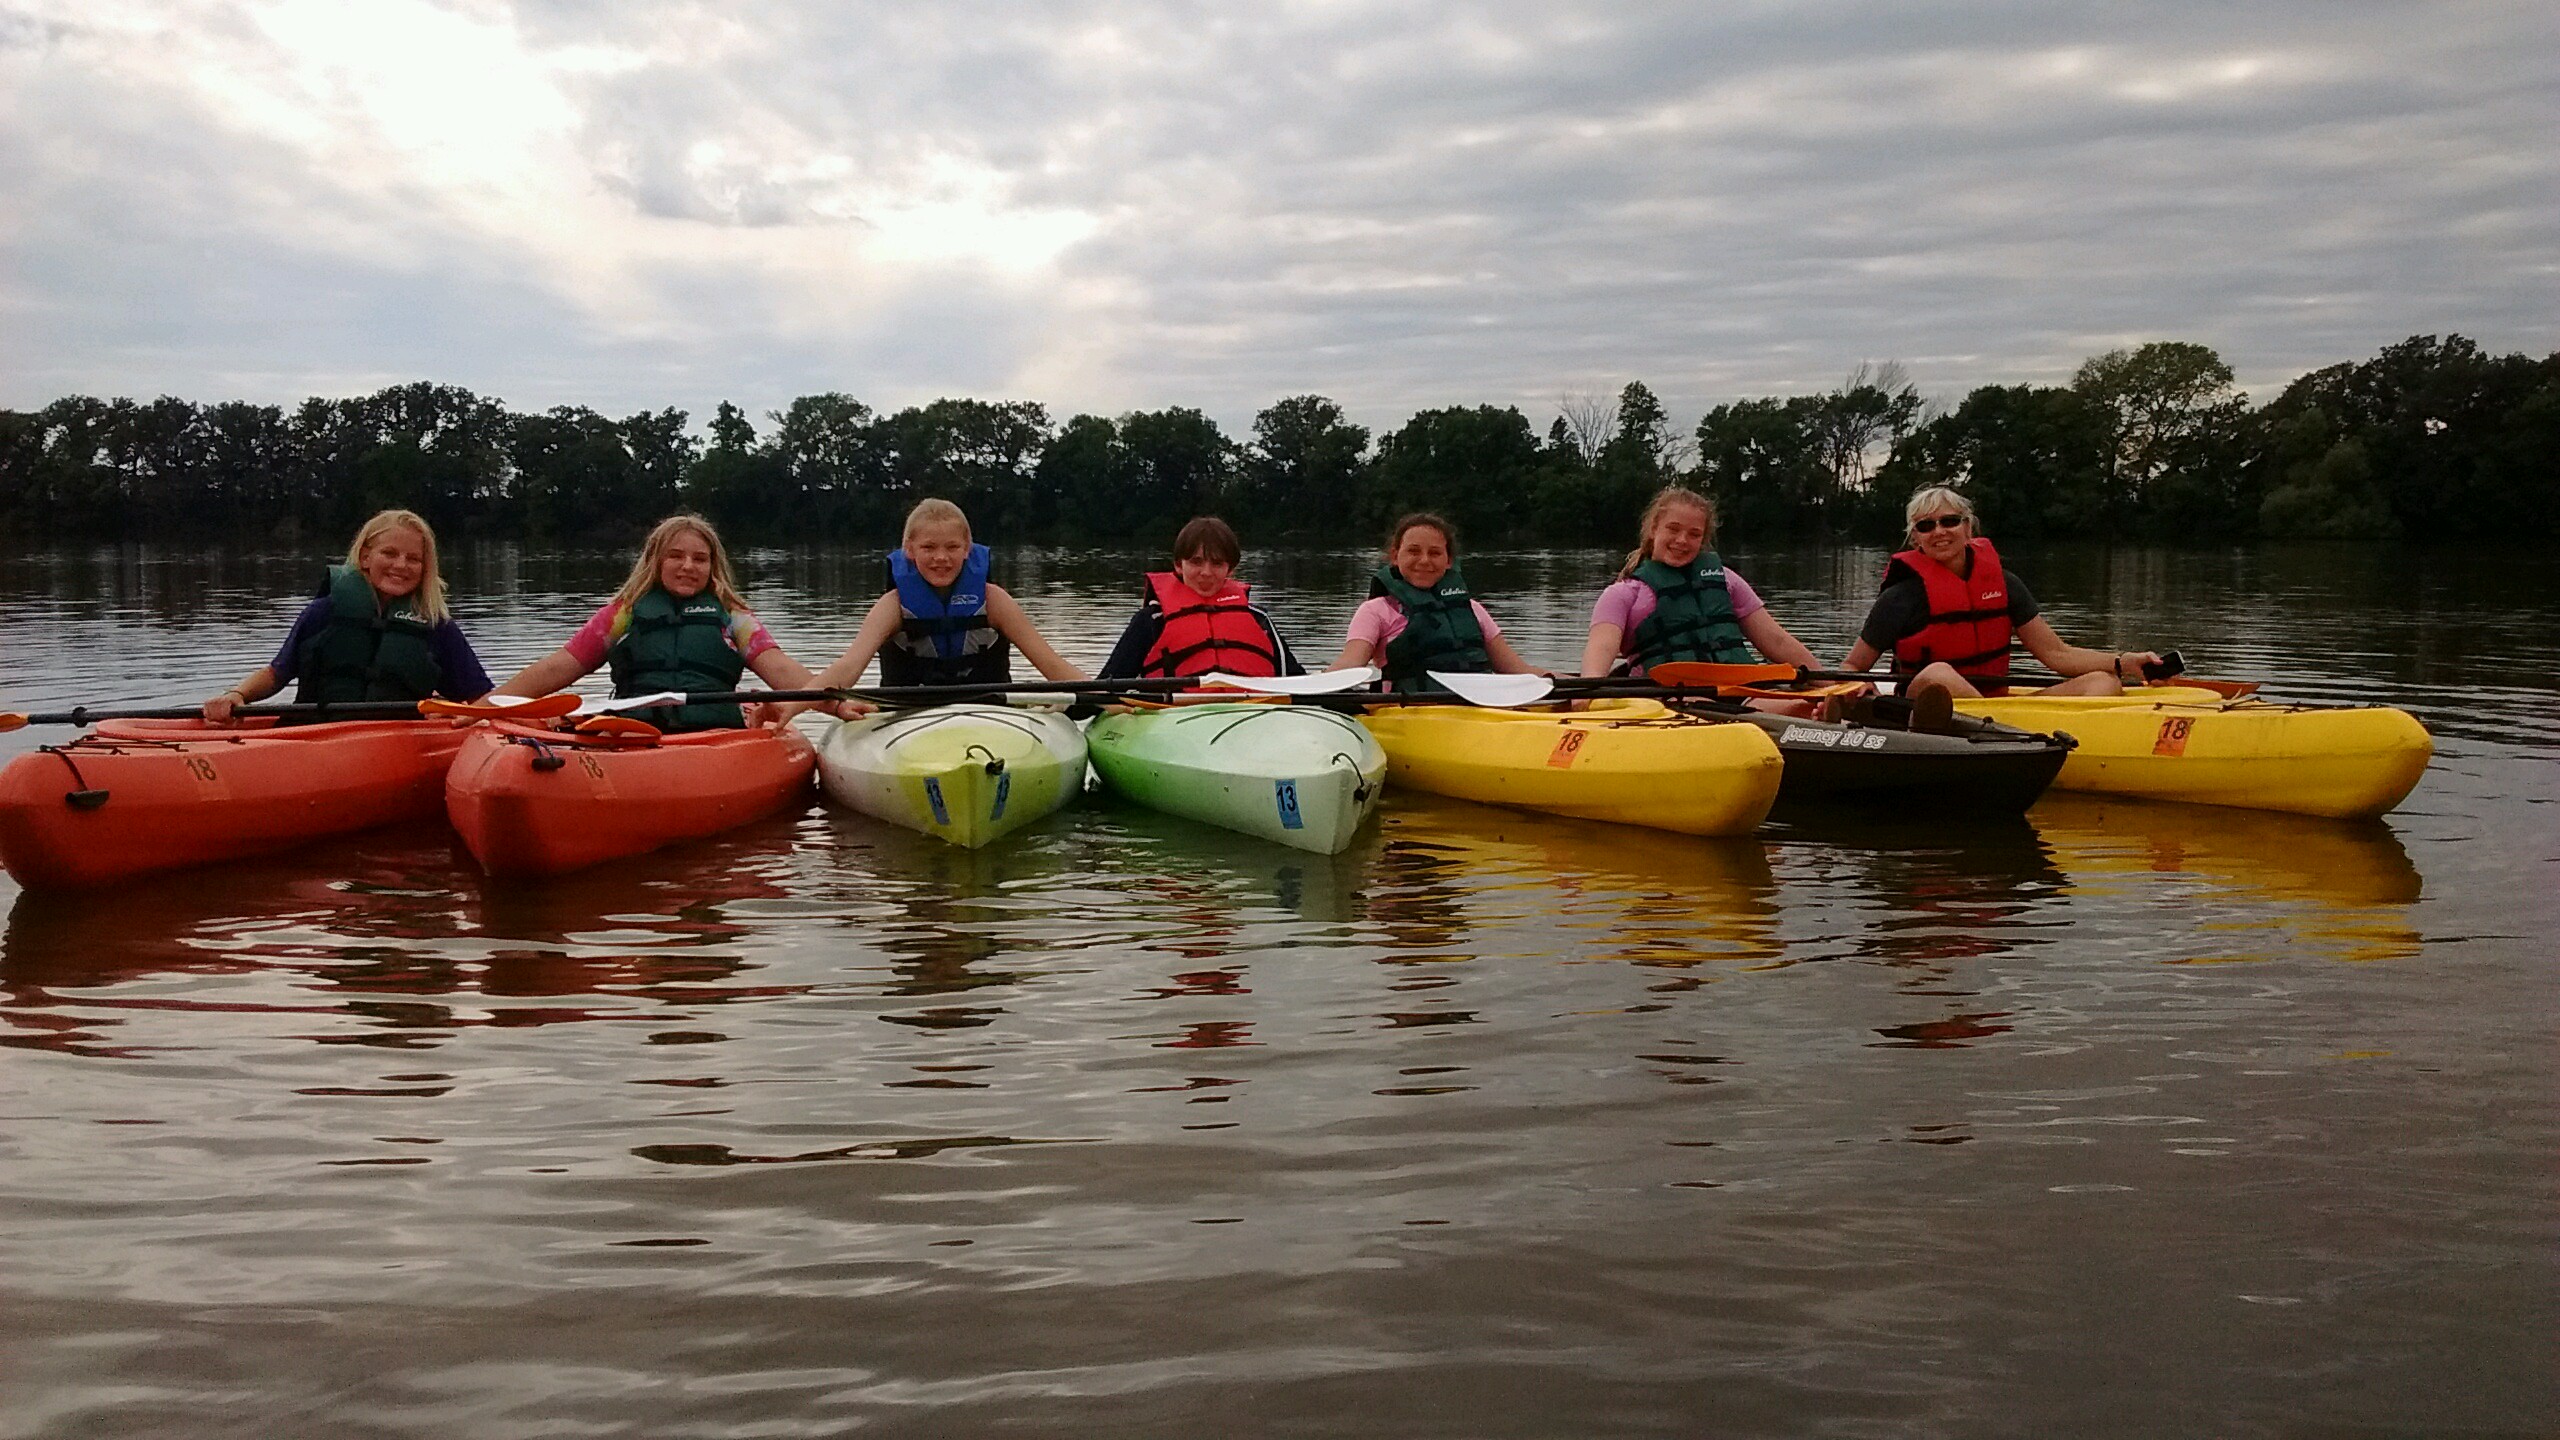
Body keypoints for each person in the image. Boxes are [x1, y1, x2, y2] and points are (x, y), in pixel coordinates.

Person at [494, 513, 817, 731]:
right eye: (675, 556)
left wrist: (836, 704)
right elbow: (559, 666)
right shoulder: (624, 613)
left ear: (712, 566)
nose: (688, 566)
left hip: (715, 733)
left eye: (700, 559)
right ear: (655, 561)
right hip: (633, 730)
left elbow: (781, 669)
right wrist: (489, 707)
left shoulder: (733, 616)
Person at [1841, 486, 2163, 703]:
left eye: (1949, 521)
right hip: (1926, 711)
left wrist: (2123, 663)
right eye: (1926, 526)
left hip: (1998, 709)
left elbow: (2057, 654)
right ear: (1916, 540)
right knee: (1938, 674)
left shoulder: (2004, 584)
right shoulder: (1900, 597)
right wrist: (1860, 688)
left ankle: (2010, 733)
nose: (1939, 531)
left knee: (2103, 682)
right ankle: (2001, 733)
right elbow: (1854, 666)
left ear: (1968, 529)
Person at [204, 509, 493, 722]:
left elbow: (480, 696)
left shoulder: (435, 625)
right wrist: (237, 695)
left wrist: (451, 714)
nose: (401, 565)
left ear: (425, 567)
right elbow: (276, 673)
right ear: (365, 557)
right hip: (314, 736)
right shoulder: (323, 612)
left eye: (413, 558)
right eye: (389, 554)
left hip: (398, 742)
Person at [809, 498, 1086, 693]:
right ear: (910, 550)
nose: (941, 558)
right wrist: (793, 703)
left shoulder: (995, 600)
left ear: (967, 549)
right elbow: (848, 667)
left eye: (952, 547)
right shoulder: (892, 607)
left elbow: (1050, 664)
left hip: (989, 713)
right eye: (928, 547)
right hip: (908, 716)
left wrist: (1106, 700)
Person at [1578, 485, 1823, 678]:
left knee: (1786, 706)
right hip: (1665, 700)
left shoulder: (1726, 581)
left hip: (1740, 690)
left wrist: (1831, 684)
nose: (1682, 540)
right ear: (1654, 529)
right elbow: (1602, 646)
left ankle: (1812, 712)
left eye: (1694, 534)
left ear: (1703, 539)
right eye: (1673, 529)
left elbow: (1776, 640)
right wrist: (1588, 692)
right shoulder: (1622, 594)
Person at [1327, 513, 1541, 692]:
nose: (1424, 560)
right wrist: (1318, 682)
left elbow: (1518, 669)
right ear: (1395, 556)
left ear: (1448, 561)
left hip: (1477, 707)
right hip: (1406, 710)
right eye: (1413, 551)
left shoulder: (1472, 609)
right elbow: (1350, 664)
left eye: (1435, 553)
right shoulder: (1375, 611)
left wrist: (1569, 684)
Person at [1098, 516, 1305, 681]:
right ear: (1179, 565)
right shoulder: (1151, 621)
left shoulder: (1258, 619)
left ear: (1229, 569)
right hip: (1174, 718)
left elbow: (1299, 682)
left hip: (1249, 715)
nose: (1206, 572)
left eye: (1216, 564)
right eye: (1196, 562)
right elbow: (1105, 689)